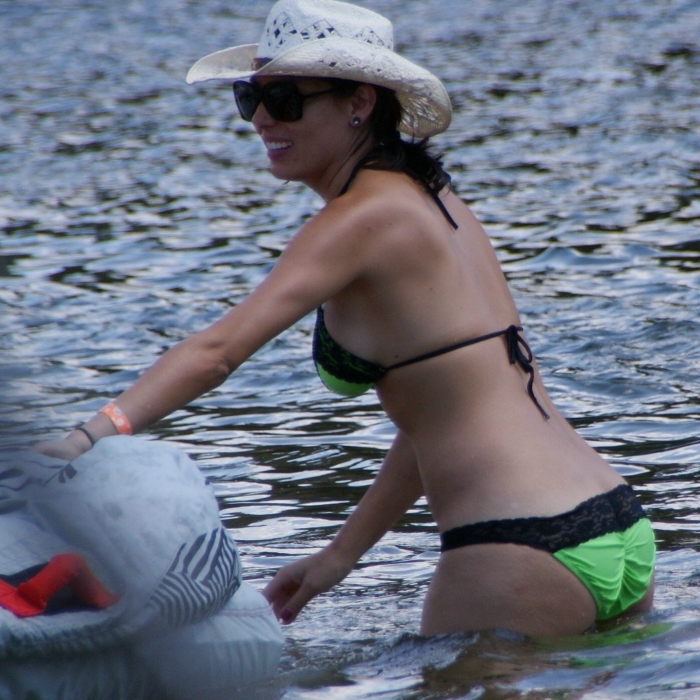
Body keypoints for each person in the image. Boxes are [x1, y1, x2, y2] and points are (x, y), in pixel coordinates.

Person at [37, 0, 655, 637]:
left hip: (521, 542)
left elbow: (217, 352)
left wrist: (85, 439)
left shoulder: (358, 220)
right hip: (614, 524)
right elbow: (439, 414)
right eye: (251, 98)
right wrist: (339, 556)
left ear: (360, 102)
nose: (262, 119)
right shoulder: (434, 199)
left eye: (285, 99)